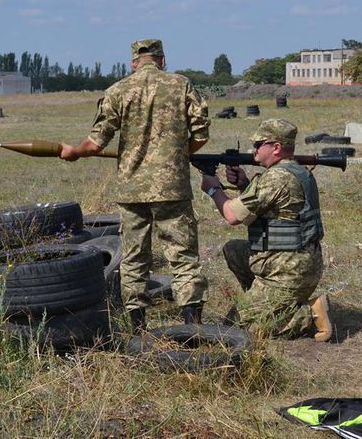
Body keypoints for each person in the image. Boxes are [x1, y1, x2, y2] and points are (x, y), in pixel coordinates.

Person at [60, 38, 210, 330]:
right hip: (173, 187)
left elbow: (95, 142)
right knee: (183, 256)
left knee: (133, 258)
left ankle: (137, 328)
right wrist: (178, 157)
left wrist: (74, 152)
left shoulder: (118, 91)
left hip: (132, 190)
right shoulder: (182, 85)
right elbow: (201, 135)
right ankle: (193, 325)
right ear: (162, 60)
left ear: (133, 63)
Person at [199, 118, 332, 342]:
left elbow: (232, 216)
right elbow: (272, 210)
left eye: (259, 144)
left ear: (276, 147)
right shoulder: (296, 171)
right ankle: (268, 302)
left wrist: (213, 189)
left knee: (238, 327)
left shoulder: (276, 177)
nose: (254, 150)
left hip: (288, 269)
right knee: (233, 249)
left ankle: (308, 313)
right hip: (298, 260)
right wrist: (243, 185)